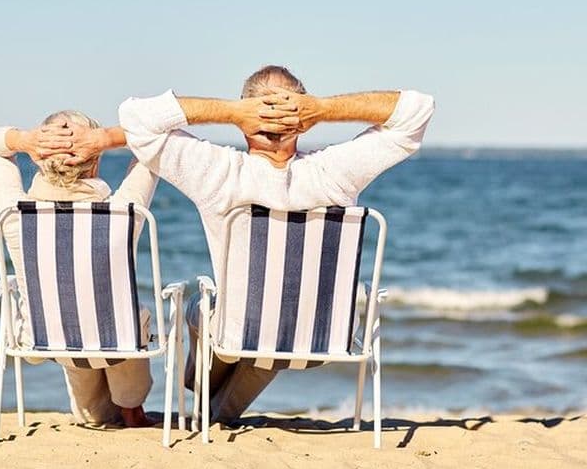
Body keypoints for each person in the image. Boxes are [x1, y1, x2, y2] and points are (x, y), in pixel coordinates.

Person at [51, 65, 435, 423]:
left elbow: (138, 118)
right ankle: (215, 411)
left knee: (205, 308)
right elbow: (416, 111)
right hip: (321, 337)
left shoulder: (218, 172)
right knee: (278, 324)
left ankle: (200, 390)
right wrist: (322, 109)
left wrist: (234, 113)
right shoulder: (334, 172)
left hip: (238, 334)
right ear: (303, 121)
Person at [0, 110, 158, 427]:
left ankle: (99, 410)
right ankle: (132, 408)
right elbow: (155, 138)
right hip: (119, 340)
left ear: (38, 158)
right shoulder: (123, 212)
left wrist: (25, 139)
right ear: (95, 161)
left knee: (91, 412)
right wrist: (105, 139)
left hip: (44, 338)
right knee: (125, 314)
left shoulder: (15, 215)